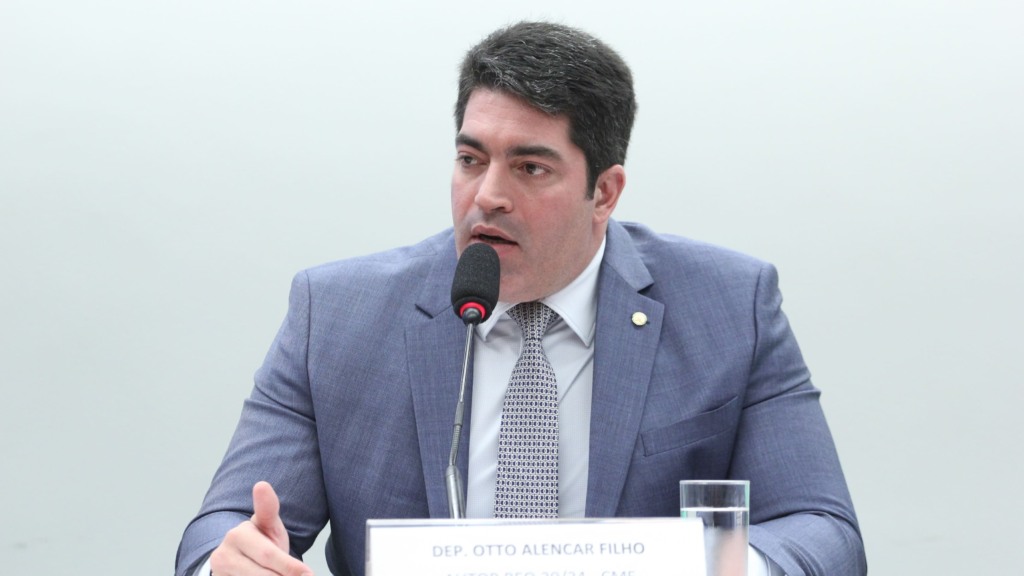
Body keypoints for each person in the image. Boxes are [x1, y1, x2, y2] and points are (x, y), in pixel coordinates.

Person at [176, 21, 867, 576]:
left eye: (529, 167)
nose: (487, 196)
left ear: (605, 192)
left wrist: (722, 568)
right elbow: (225, 527)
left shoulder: (729, 306)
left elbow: (825, 532)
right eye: (471, 159)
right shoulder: (336, 315)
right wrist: (230, 563)